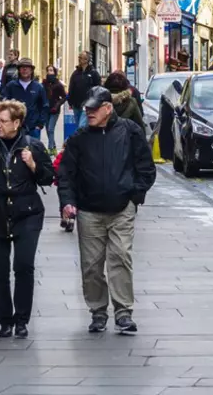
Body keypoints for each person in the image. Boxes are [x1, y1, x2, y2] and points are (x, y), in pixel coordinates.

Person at [57, 88, 155, 335]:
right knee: (91, 265)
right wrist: (67, 201)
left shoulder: (130, 132)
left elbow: (146, 168)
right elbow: (66, 174)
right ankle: (98, 311)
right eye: (87, 109)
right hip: (89, 211)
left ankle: (123, 312)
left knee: (121, 258)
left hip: (122, 208)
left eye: (93, 108)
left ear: (108, 108)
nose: (88, 112)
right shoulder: (79, 138)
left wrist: (135, 197)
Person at [0, 99, 54, 338]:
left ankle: (22, 319)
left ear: (16, 123)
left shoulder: (33, 146)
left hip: (26, 212)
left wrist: (33, 164)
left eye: (3, 121)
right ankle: (5, 320)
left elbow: (48, 178)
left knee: (24, 266)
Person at [4, 58, 49, 141]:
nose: (25, 69)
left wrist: (40, 124)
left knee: (33, 151)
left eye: (27, 67)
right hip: (15, 126)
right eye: (22, 67)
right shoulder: (11, 86)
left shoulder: (38, 87)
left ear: (31, 70)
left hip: (33, 128)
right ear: (19, 70)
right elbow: (5, 104)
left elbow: (45, 106)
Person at [65, 54, 96, 142]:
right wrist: (70, 101)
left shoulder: (93, 73)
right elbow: (71, 87)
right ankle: (84, 142)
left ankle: (78, 144)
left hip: (87, 104)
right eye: (78, 57)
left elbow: (97, 87)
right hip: (76, 104)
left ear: (86, 59)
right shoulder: (75, 73)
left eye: (81, 57)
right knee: (79, 125)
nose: (79, 59)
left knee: (81, 126)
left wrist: (94, 101)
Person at [41, 65, 67, 150]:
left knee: (50, 129)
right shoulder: (44, 83)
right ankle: (54, 147)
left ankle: (50, 148)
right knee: (48, 130)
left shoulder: (58, 84)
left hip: (55, 110)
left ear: (54, 72)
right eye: (48, 70)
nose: (49, 72)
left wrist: (58, 104)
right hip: (46, 109)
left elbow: (64, 97)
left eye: (51, 70)